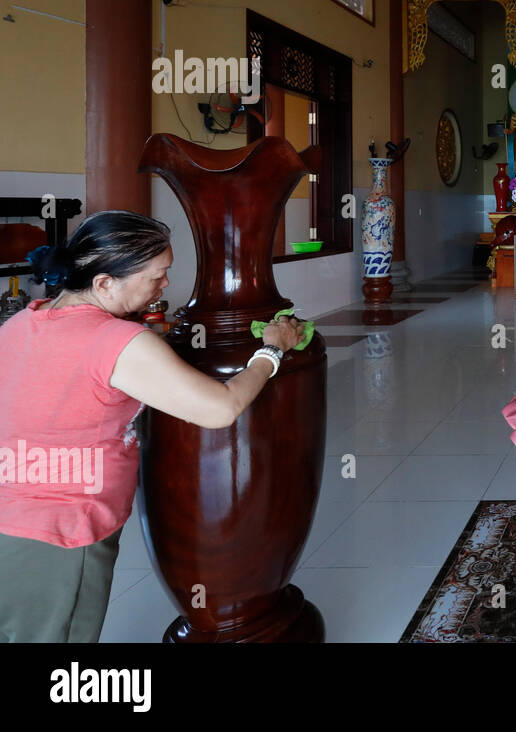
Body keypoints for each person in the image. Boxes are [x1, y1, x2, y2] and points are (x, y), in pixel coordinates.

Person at [0, 211, 302, 642]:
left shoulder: (20, 323)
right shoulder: (116, 341)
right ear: (104, 283)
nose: (163, 286)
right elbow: (221, 408)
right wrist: (270, 351)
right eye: (156, 276)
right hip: (63, 533)